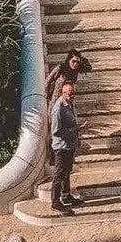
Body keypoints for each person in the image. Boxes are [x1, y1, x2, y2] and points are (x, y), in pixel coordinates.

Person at [50, 81, 80, 213]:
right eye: (70, 94)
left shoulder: (69, 104)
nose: (72, 96)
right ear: (63, 93)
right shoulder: (58, 109)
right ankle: (55, 202)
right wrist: (73, 130)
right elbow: (56, 131)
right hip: (61, 146)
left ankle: (66, 195)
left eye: (73, 94)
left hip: (69, 145)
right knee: (59, 174)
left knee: (66, 172)